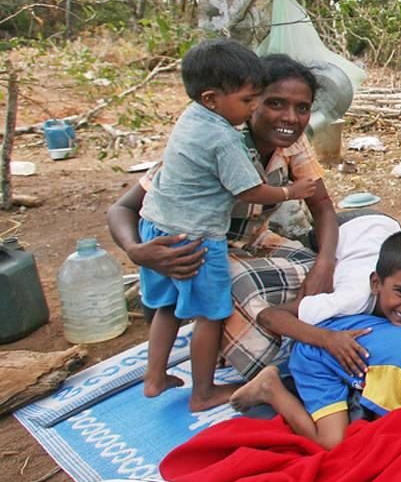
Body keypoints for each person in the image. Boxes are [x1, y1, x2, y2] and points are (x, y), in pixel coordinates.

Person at [108, 54, 341, 381]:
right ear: (253, 101)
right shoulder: (215, 141)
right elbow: (121, 208)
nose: (290, 117)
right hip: (203, 246)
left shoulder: (293, 144)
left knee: (328, 272)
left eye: (303, 108)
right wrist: (135, 250)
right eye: (275, 103)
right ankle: (247, 359)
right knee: (244, 287)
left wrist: (325, 264)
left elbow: (322, 205)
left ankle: (273, 340)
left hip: (255, 241)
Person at [230, 299, 401, 449]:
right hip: (316, 359)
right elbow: (390, 429)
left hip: (354, 341)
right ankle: (271, 388)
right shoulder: (398, 370)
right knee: (332, 444)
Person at [255, 229, 401, 377]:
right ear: (375, 284)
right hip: (355, 226)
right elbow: (268, 315)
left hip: (384, 229)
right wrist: (327, 339)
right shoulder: (352, 299)